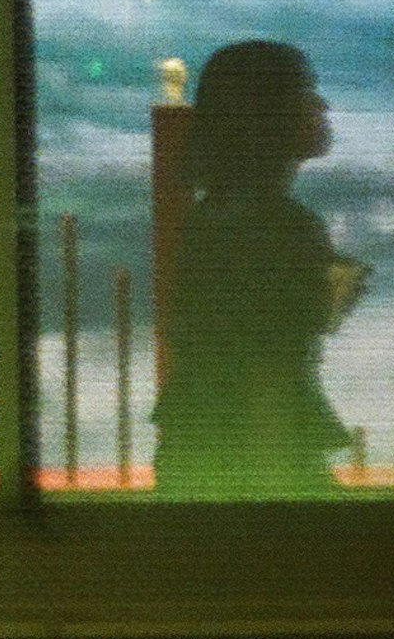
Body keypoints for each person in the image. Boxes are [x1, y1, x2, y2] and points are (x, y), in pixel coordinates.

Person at [154, 41, 361, 498]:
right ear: (267, 115)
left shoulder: (217, 216)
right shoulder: (279, 225)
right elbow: (265, 370)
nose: (321, 105)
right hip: (257, 467)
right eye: (307, 91)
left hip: (204, 461)